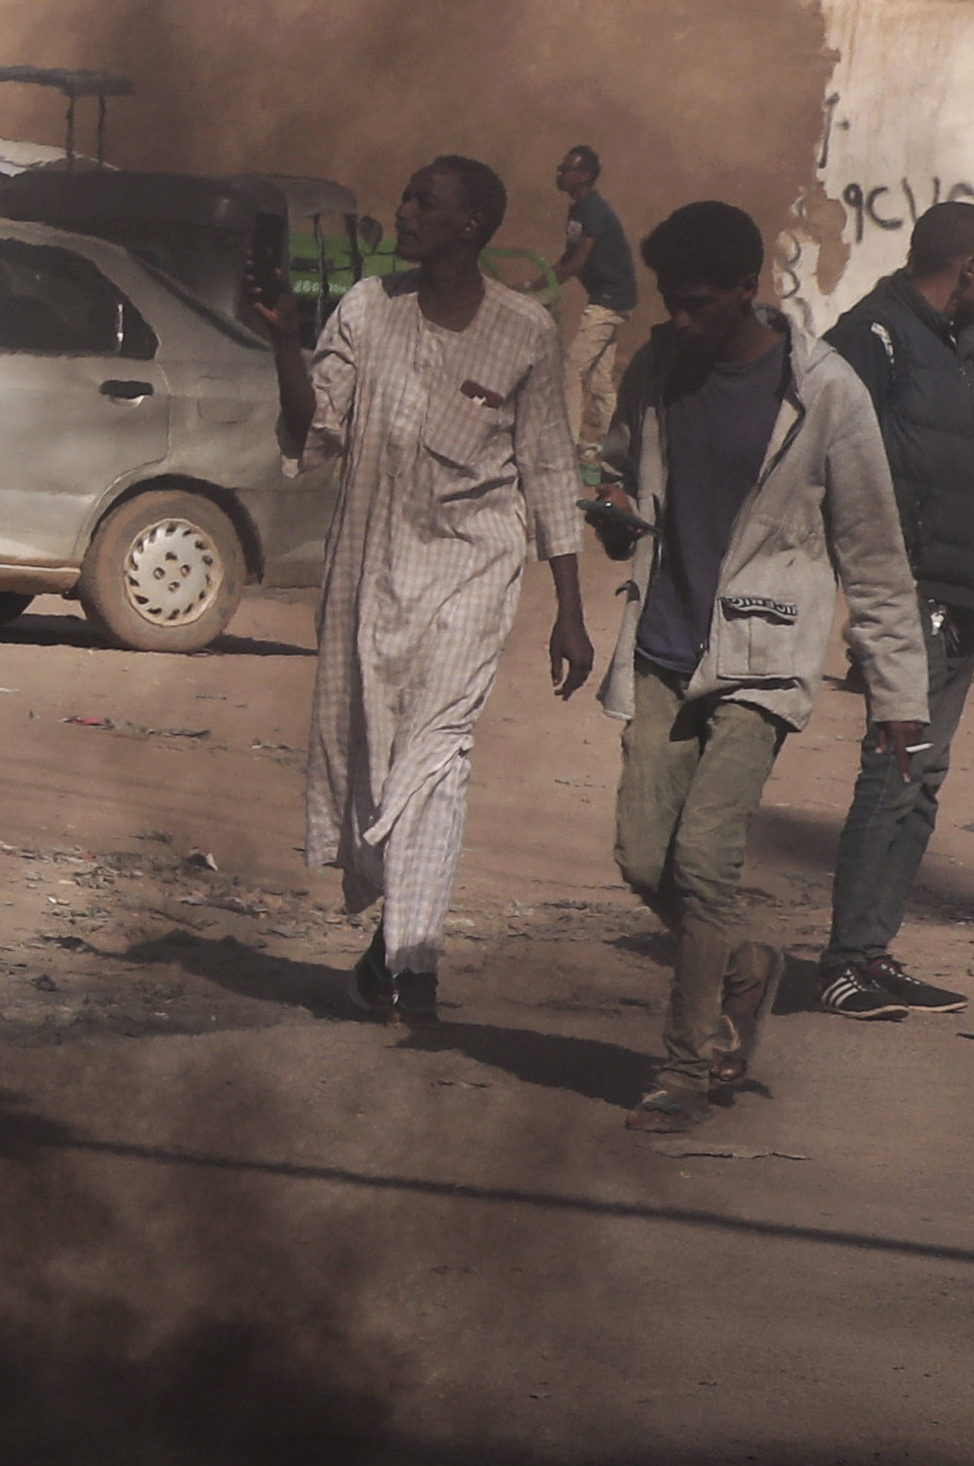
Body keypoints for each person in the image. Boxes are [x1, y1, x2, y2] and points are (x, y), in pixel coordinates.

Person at [575, 198, 928, 1132]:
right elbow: (618, 472)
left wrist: (896, 690)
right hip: (661, 646)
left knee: (701, 861)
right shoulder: (654, 369)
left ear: (747, 290)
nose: (677, 317)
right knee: (642, 857)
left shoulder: (826, 392)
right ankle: (746, 968)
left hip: (763, 657)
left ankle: (690, 1066)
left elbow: (875, 552)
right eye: (667, 299)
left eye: (695, 302)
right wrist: (611, 508)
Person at [250, 153, 586, 1035]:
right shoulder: (369, 309)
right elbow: (314, 426)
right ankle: (388, 946)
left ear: (470, 225)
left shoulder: (525, 333)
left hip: (474, 571)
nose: (403, 211)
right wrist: (286, 337)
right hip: (369, 570)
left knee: (435, 756)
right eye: (405, 196)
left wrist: (572, 612)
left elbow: (549, 466)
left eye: (423, 202)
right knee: (373, 760)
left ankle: (416, 964)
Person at [812, 200, 974, 1018]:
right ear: (968, 267)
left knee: (923, 777)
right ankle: (845, 961)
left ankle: (875, 951)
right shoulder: (876, 336)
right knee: (894, 771)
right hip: (907, 590)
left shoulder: (955, 347)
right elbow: (820, 447)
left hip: (962, 590)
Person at [551, 143, 646, 444]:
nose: (561, 173)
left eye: (567, 170)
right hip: (608, 297)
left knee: (571, 369)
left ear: (586, 175)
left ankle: (566, 442)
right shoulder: (578, 210)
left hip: (611, 300)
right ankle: (616, 440)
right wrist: (535, 283)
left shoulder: (593, 209)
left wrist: (540, 287)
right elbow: (568, 260)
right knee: (598, 378)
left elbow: (578, 263)